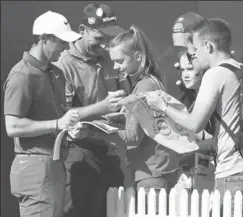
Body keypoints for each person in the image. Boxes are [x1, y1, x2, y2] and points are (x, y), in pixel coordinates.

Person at [147, 18, 243, 212]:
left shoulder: (215, 74)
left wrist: (163, 106)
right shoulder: (242, 70)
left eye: (196, 50)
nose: (194, 56)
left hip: (231, 170)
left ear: (208, 46)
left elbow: (194, 123)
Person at [89, 25, 180, 213]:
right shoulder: (152, 80)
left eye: (120, 61)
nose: (115, 66)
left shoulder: (143, 86)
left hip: (150, 172)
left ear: (138, 57)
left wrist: (98, 131)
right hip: (158, 168)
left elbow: (133, 137)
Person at [3, 11, 82, 217]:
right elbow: (12, 127)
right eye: (61, 41)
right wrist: (57, 124)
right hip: (34, 166)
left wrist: (70, 125)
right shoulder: (22, 75)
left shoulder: (56, 73)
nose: (66, 47)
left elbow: (59, 115)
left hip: (54, 164)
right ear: (44, 39)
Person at [54, 4, 127, 217]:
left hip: (110, 151)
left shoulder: (108, 59)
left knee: (113, 211)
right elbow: (62, 116)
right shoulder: (64, 65)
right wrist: (102, 107)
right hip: (79, 155)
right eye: (99, 37)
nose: (104, 44)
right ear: (82, 29)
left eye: (108, 38)